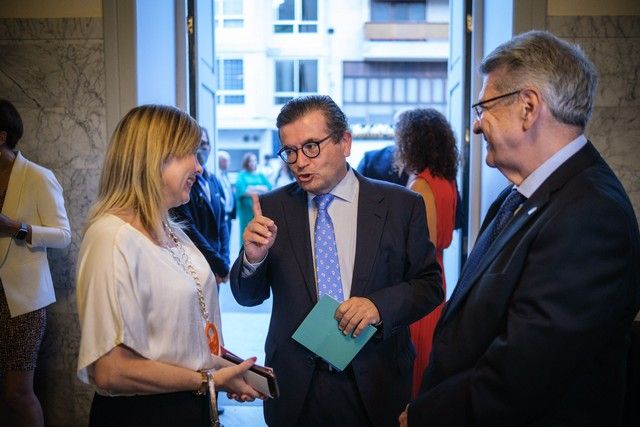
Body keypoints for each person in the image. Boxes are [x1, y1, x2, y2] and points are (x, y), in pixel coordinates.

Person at [401, 30, 640, 426]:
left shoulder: (591, 216)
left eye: (484, 108)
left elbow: (521, 378)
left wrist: (423, 416)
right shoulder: (520, 194)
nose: (477, 126)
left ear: (528, 107)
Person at [230, 95, 444, 426]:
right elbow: (247, 295)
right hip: (296, 386)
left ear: (345, 142)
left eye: (311, 146)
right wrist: (252, 259)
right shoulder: (273, 209)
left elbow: (430, 286)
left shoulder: (401, 205)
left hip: (375, 380)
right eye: (290, 151)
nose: (300, 161)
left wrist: (378, 307)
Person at [76, 105, 263, 427]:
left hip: (189, 403)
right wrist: (207, 380)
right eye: (188, 154)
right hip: (144, 414)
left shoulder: (173, 229)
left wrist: (225, 370)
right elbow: (110, 371)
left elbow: (180, 335)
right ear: (153, 158)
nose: (199, 167)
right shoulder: (111, 238)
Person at [0, 99, 71, 427]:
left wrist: (19, 228)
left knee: (18, 394)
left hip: (23, 303)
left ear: (1, 137)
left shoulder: (38, 177)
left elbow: (64, 235)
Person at [394, 108, 459, 398]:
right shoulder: (446, 182)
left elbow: (421, 249)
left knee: (414, 371)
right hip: (438, 278)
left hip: (421, 285)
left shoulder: (421, 185)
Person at [171, 127, 230, 282]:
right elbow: (190, 230)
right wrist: (219, 264)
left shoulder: (213, 180)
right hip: (197, 264)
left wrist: (225, 260)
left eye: (205, 143)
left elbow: (223, 222)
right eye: (197, 145)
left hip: (217, 265)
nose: (202, 148)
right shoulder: (184, 186)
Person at [235, 152, 271, 246]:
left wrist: (251, 188)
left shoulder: (260, 175)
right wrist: (260, 188)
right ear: (246, 163)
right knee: (246, 233)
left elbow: (269, 188)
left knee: (260, 233)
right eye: (250, 161)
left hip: (260, 210)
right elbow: (242, 191)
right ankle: (244, 256)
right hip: (246, 212)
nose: (253, 163)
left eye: (254, 160)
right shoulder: (242, 175)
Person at [217, 150, 236, 255]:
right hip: (222, 215)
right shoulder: (217, 176)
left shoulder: (225, 175)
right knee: (223, 242)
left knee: (227, 241)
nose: (229, 163)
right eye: (227, 161)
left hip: (228, 215)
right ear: (221, 161)